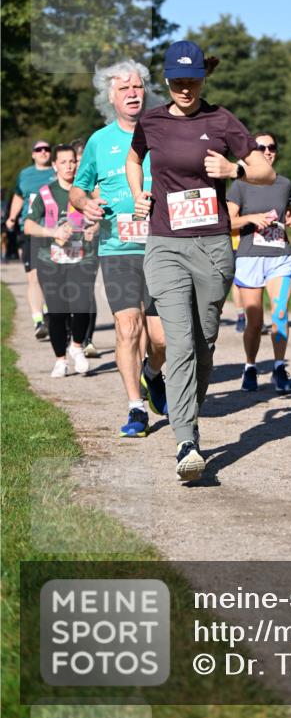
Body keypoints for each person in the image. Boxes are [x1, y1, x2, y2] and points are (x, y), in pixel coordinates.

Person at [127, 40, 274, 481]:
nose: (185, 89)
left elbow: (266, 171)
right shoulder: (151, 121)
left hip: (212, 245)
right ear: (166, 80)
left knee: (205, 344)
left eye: (192, 80)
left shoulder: (221, 120)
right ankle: (186, 440)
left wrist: (234, 171)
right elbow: (134, 159)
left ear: (203, 79)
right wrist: (138, 194)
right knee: (180, 341)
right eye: (178, 82)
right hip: (165, 244)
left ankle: (184, 408)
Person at [69, 60, 167, 438]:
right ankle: (135, 408)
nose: (132, 93)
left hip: (162, 245)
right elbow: (78, 189)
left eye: (137, 86)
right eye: (123, 88)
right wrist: (85, 204)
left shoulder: (163, 132)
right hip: (118, 247)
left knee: (162, 339)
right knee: (128, 327)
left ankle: (152, 373)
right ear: (110, 97)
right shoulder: (99, 141)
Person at [227, 131, 291, 393]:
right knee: (255, 321)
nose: (267, 151)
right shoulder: (240, 185)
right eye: (261, 147)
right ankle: (250, 366)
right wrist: (250, 218)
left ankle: (279, 367)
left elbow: (286, 213)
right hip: (250, 258)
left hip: (280, 257)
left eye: (272, 147)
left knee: (280, 313)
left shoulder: (285, 184)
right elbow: (227, 222)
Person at [24, 145, 98, 376]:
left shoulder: (86, 192)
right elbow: (28, 225)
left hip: (81, 259)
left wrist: (93, 229)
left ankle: (76, 346)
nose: (69, 166)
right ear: (55, 165)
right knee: (57, 313)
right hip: (51, 261)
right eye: (63, 162)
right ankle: (61, 360)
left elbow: (101, 219)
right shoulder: (46, 193)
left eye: (72, 161)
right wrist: (52, 232)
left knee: (83, 307)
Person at [5, 140, 55, 339]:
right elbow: (18, 196)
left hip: (53, 231)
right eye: (39, 149)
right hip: (30, 230)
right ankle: (38, 321)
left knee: (51, 277)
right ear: (33, 154)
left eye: (46, 149)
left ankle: (51, 312)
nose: (43, 152)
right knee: (33, 277)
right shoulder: (25, 175)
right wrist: (11, 217)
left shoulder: (57, 171)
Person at [71, 138, 99, 358]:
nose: (78, 164)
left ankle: (87, 339)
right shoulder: (65, 185)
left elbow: (106, 210)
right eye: (76, 160)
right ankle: (70, 333)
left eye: (82, 160)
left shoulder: (95, 182)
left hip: (89, 244)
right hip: (66, 246)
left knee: (86, 290)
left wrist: (95, 227)